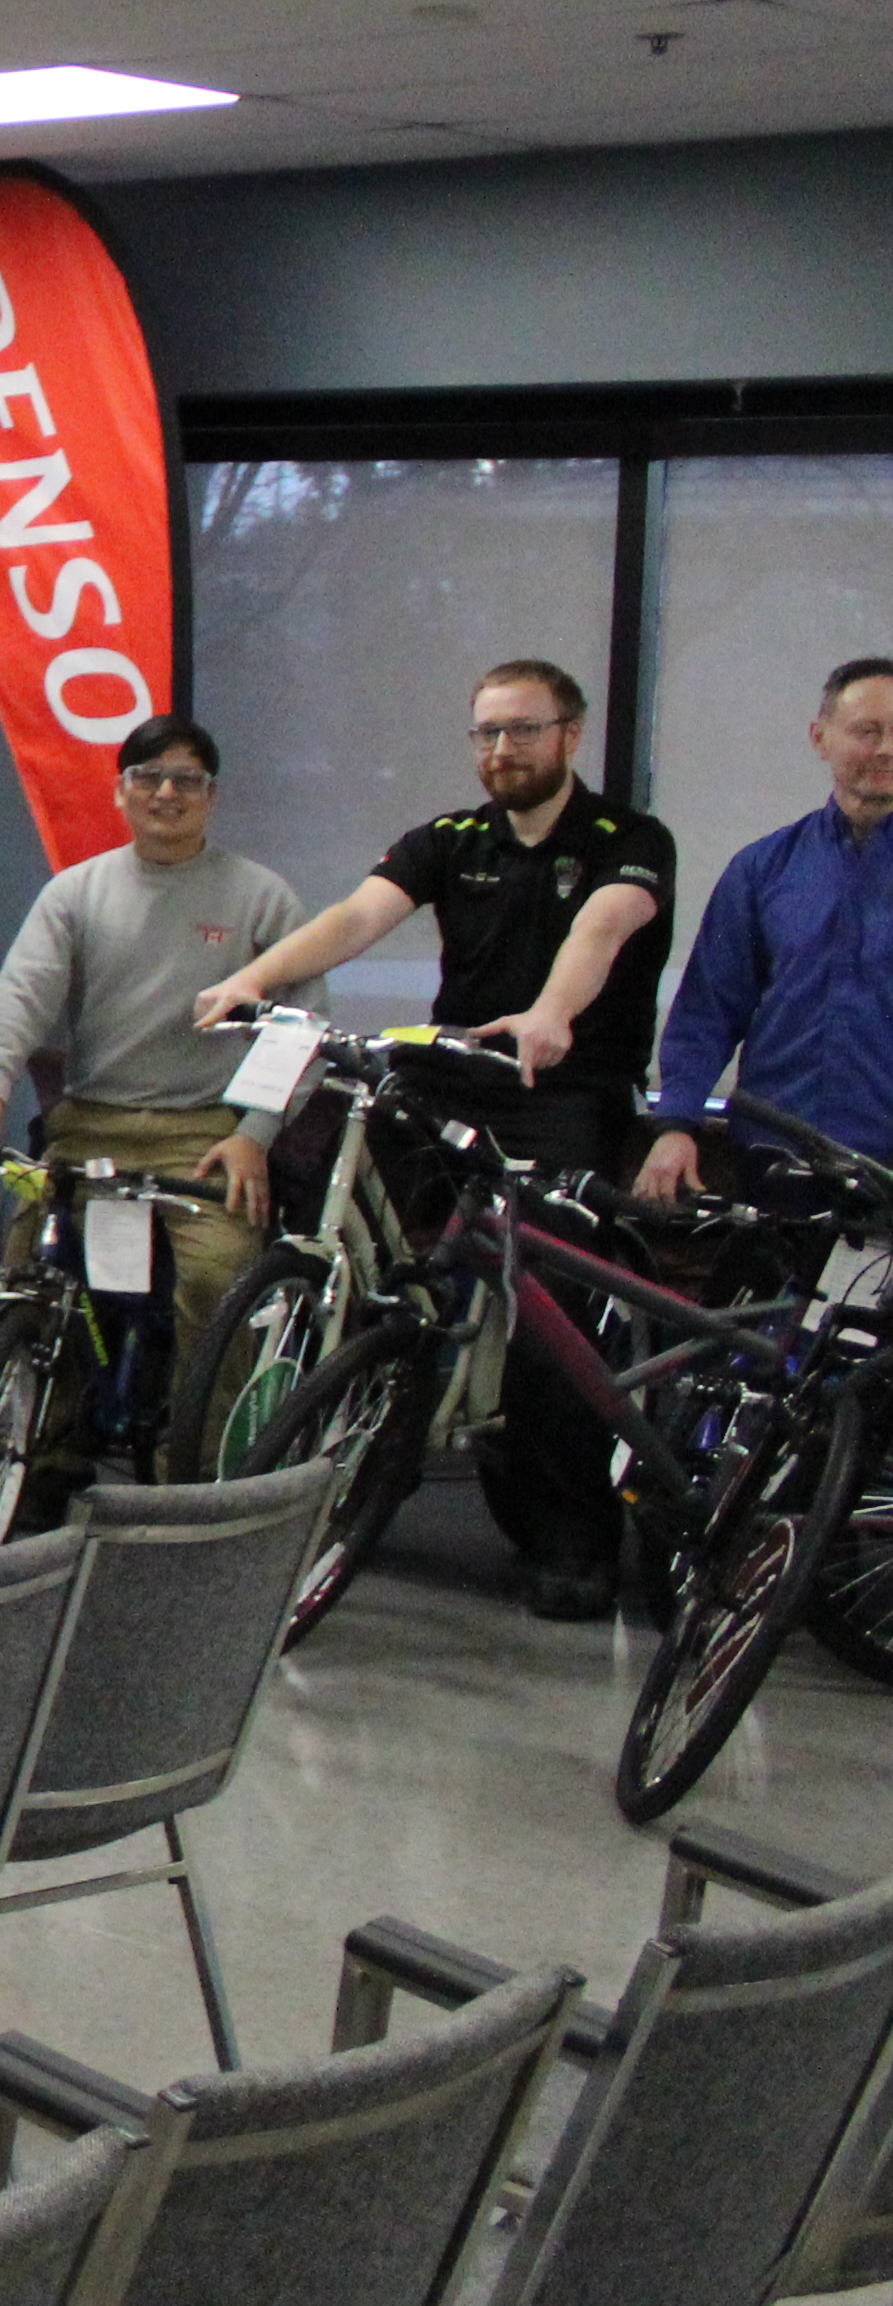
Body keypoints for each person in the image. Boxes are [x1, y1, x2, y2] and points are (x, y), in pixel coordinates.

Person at [194, 655, 674, 1620]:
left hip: (562, 1092)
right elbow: (356, 917)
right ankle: (376, 1410)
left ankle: (571, 1539)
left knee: (548, 1309)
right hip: (456, 1074)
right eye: (487, 732)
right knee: (332, 1201)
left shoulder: (627, 839)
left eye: (523, 730)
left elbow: (602, 929)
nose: (502, 749)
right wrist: (256, 978)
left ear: (570, 736)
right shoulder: (450, 839)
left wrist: (551, 1012)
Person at [0, 714, 298, 1382]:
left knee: (221, 1283)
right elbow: (22, 995)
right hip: (89, 1129)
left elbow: (302, 1027)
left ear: (211, 795)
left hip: (205, 1138)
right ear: (120, 791)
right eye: (149, 776)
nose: (167, 792)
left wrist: (256, 1135)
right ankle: (45, 1439)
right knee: (31, 1275)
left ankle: (197, 1450)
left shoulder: (260, 896)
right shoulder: (75, 892)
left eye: (187, 779)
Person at [645, 654, 893, 1190]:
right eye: (867, 731)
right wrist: (676, 1123)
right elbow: (708, 1010)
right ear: (820, 737)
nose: (886, 749)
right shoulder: (764, 868)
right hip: (776, 1157)